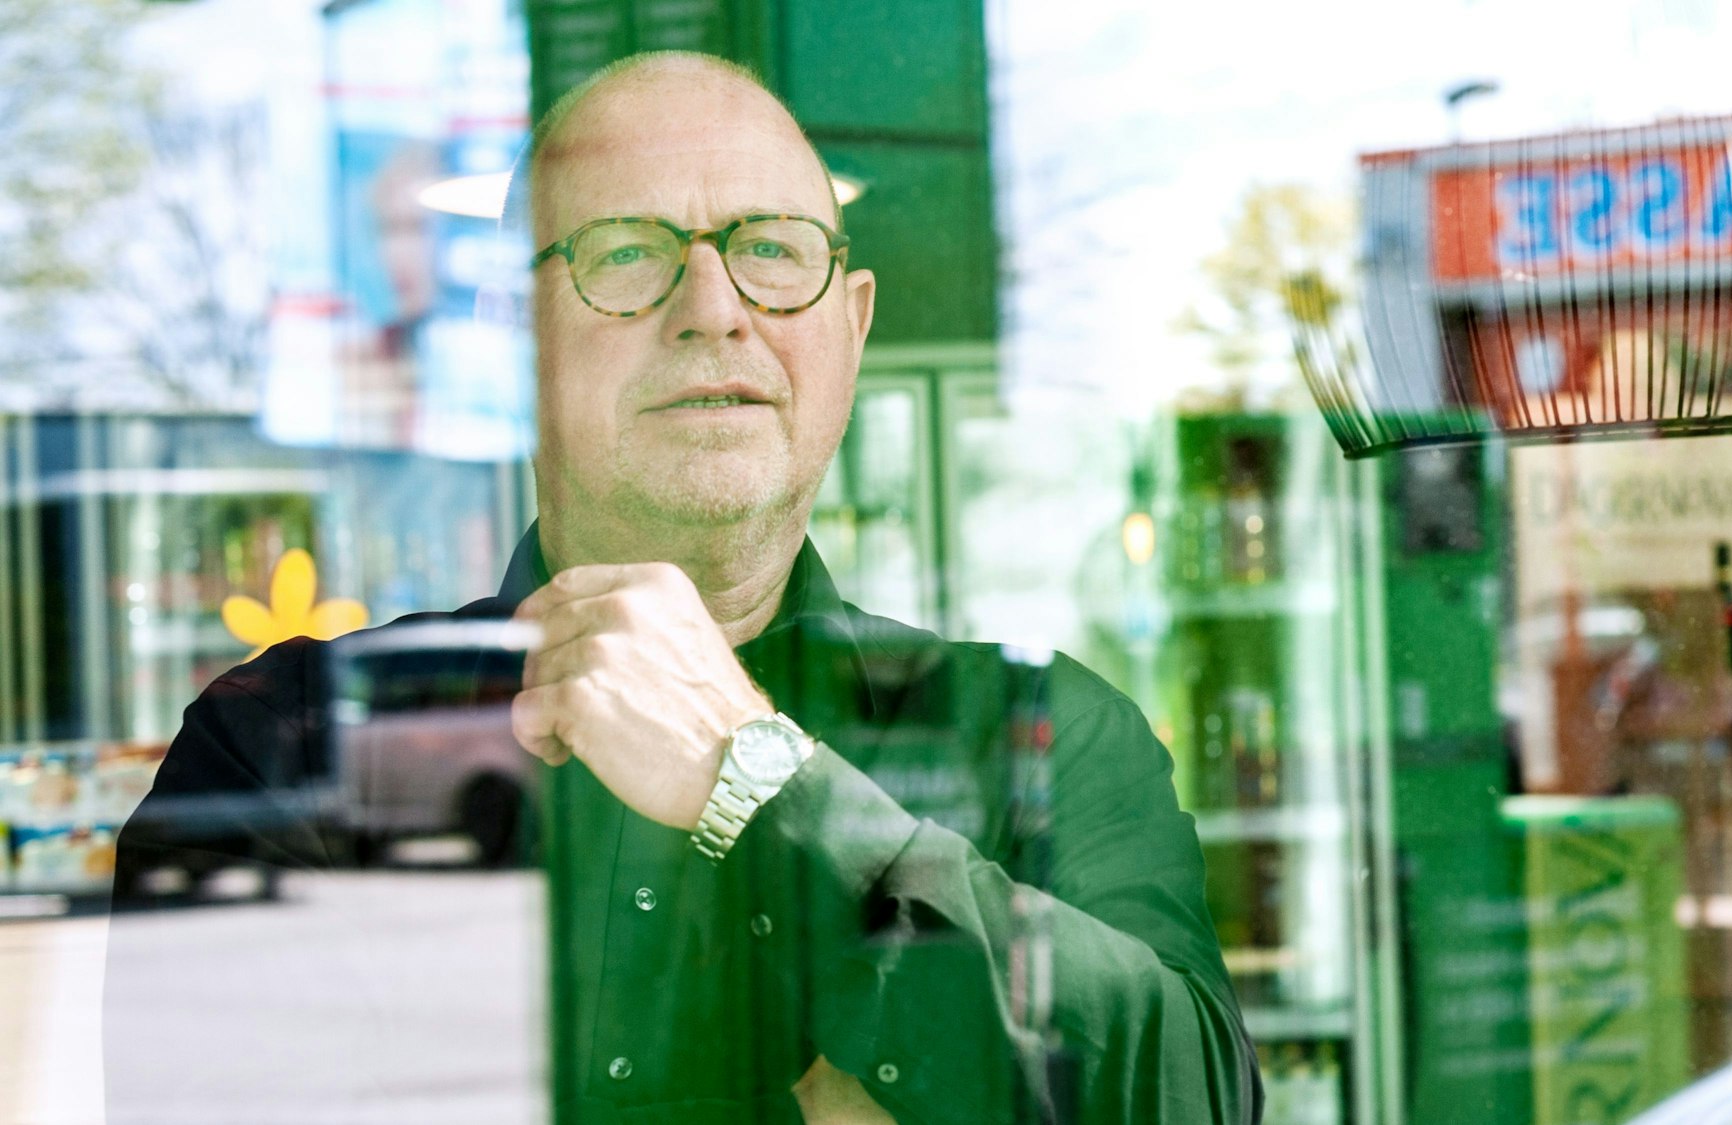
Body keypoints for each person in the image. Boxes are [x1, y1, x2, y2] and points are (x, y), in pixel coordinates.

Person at [107, 51, 1260, 1124]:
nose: (713, 306)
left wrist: (762, 780)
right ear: (514, 335)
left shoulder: (1048, 736)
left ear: (848, 332)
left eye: (772, 250)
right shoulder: (285, 747)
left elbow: (1189, 1099)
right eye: (623, 252)